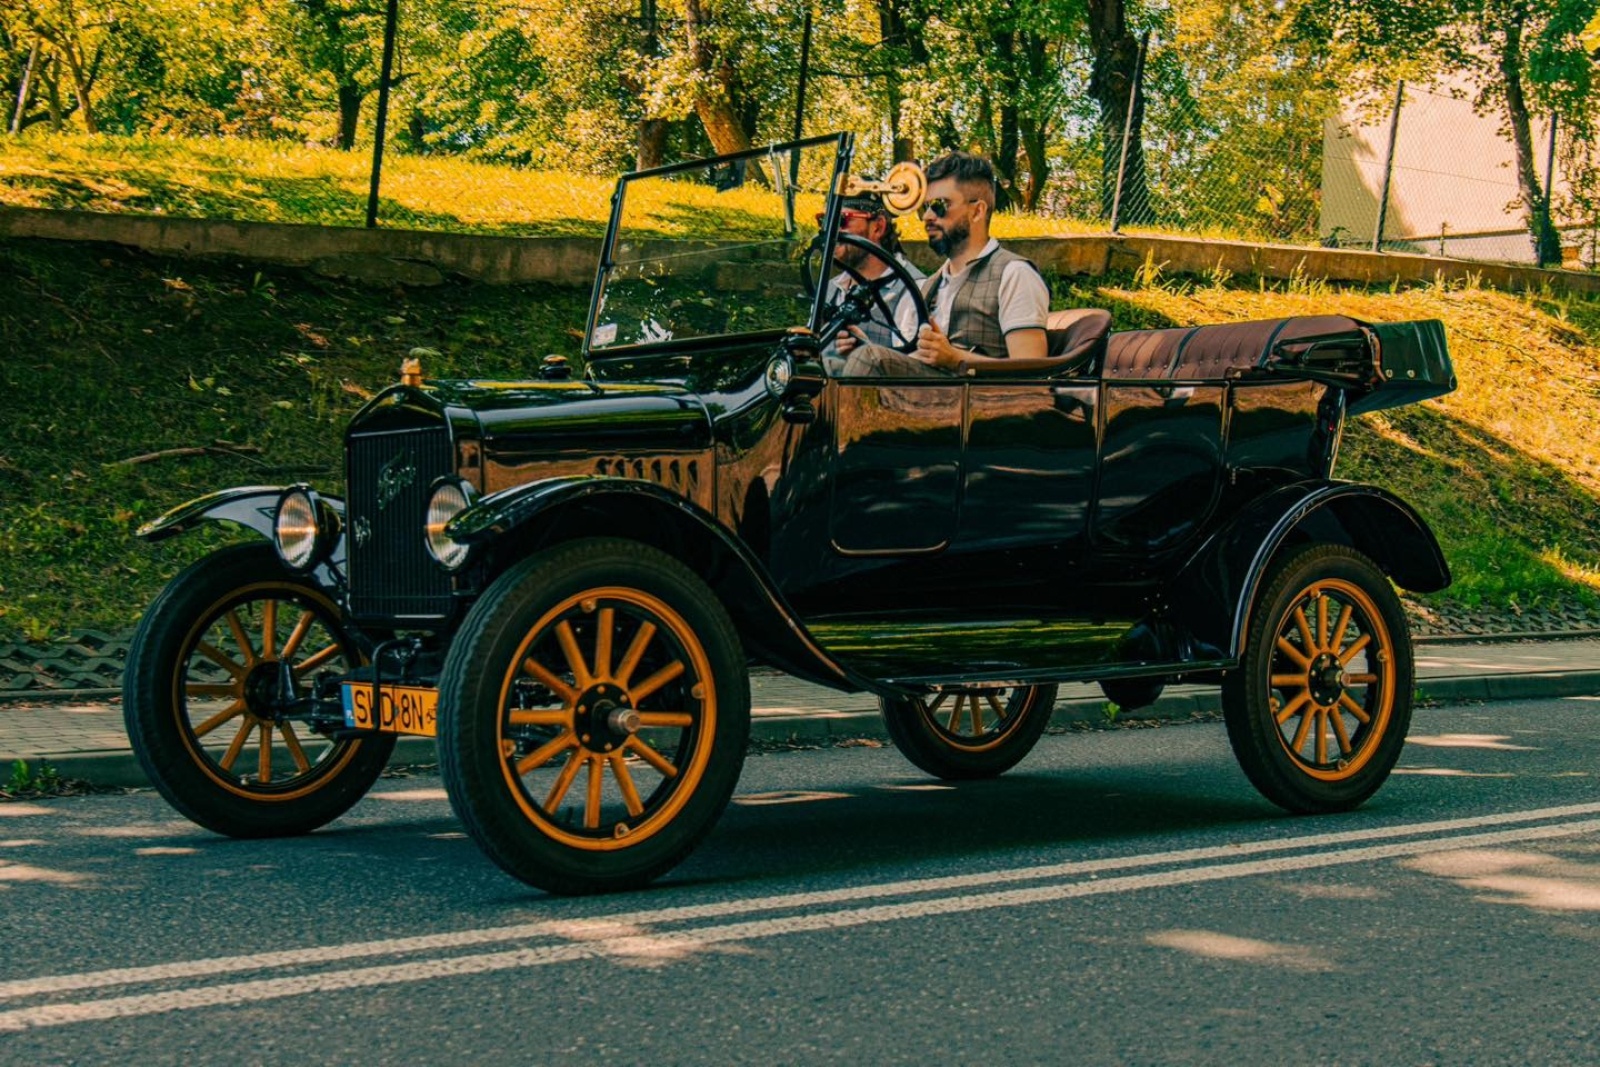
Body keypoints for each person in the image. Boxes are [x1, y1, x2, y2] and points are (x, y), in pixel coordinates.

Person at [839, 151, 1049, 377]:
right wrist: (864, 346)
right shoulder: (927, 287)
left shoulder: (1014, 274)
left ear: (977, 211)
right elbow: (908, 358)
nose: (927, 216)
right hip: (924, 400)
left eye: (940, 205)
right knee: (819, 369)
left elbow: (1032, 373)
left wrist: (956, 359)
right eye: (926, 206)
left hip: (978, 405)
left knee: (867, 360)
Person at [820, 188, 925, 362]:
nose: (830, 232)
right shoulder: (830, 289)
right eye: (824, 221)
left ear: (878, 226)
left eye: (841, 221)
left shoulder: (913, 290)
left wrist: (865, 351)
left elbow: (908, 370)